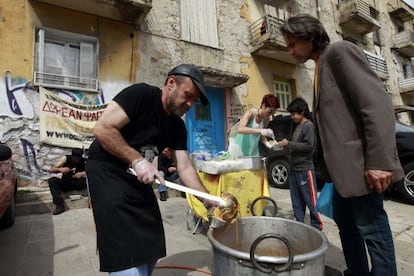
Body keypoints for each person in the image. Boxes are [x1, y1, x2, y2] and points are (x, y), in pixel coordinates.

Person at [281, 14, 404, 276]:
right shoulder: (320, 67)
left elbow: (376, 105)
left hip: (361, 168)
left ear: (310, 37)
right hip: (341, 175)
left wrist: (380, 163)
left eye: (293, 44)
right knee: (347, 226)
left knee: (372, 229)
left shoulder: (339, 52)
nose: (290, 50)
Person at [86, 64, 213, 275]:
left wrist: (207, 199)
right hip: (106, 170)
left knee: (151, 235)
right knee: (123, 248)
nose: (190, 104)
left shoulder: (177, 126)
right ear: (171, 83)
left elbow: (185, 167)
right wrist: (137, 160)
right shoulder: (141, 95)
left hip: (136, 176)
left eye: (194, 100)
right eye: (188, 95)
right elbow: (103, 128)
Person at [278, 98, 322, 230]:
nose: (292, 117)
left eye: (294, 114)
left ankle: (316, 226)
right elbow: (297, 146)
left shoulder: (308, 126)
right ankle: (299, 225)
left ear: (302, 111)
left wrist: (289, 143)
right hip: (294, 169)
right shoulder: (298, 127)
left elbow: (309, 147)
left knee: (310, 200)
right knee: (296, 200)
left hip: (304, 169)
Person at [48, 148, 86, 215]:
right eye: (75, 158)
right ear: (72, 156)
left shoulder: (84, 161)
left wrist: (83, 173)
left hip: (79, 183)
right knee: (52, 181)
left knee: (93, 179)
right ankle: (59, 205)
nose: (76, 160)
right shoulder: (65, 159)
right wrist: (60, 169)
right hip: (66, 183)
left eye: (78, 158)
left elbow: (94, 171)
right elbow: (51, 169)